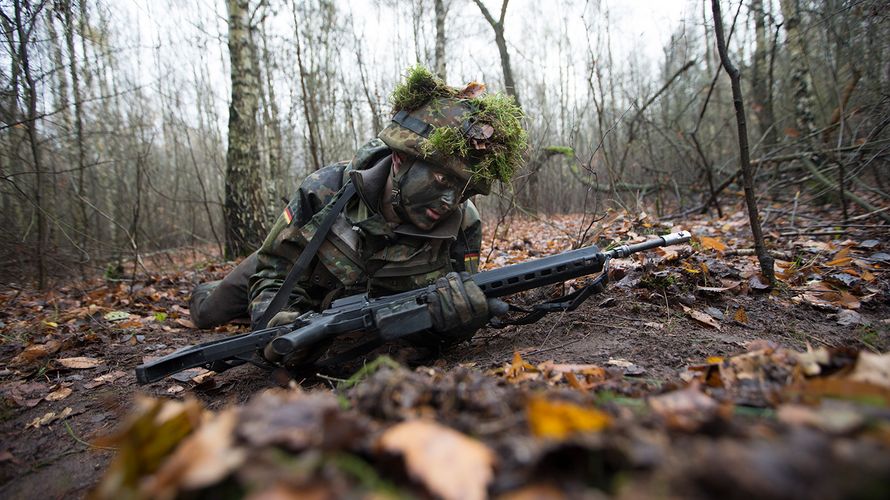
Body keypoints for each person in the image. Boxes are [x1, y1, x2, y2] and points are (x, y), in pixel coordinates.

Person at [188, 66, 527, 363]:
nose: (451, 200)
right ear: (399, 160)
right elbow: (273, 272)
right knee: (210, 312)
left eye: (464, 188)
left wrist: (458, 325)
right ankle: (207, 291)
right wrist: (278, 321)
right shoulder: (322, 191)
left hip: (357, 302)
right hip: (300, 266)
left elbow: (452, 300)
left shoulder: (464, 223)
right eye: (441, 179)